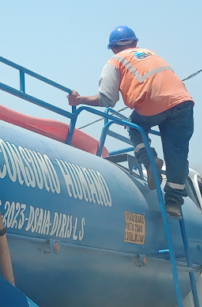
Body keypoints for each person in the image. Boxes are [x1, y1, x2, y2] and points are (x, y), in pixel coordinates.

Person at [68, 26, 195, 218]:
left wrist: (79, 100)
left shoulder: (115, 61)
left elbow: (107, 99)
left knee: (135, 127)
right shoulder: (151, 53)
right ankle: (174, 203)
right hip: (183, 102)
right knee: (178, 152)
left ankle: (150, 161)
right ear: (135, 42)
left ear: (112, 48)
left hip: (152, 104)